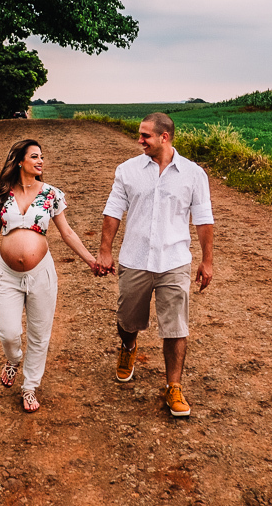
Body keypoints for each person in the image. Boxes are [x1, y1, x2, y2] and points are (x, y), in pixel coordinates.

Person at [96, 113, 214, 417]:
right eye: (139, 134)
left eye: (145, 135)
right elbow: (113, 212)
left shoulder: (192, 174)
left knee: (176, 326)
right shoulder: (127, 171)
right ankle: (128, 347)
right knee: (127, 320)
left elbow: (203, 220)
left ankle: (173, 386)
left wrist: (207, 260)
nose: (139, 140)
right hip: (135, 259)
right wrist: (105, 251)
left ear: (165, 137)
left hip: (174, 261)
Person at [0, 139, 98, 412]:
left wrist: (91, 261)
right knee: (9, 332)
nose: (40, 161)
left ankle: (29, 387)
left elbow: (68, 233)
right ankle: (13, 359)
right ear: (20, 162)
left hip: (42, 274)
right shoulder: (2, 195)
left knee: (40, 334)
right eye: (35, 156)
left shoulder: (51, 194)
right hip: (7, 275)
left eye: (42, 157)